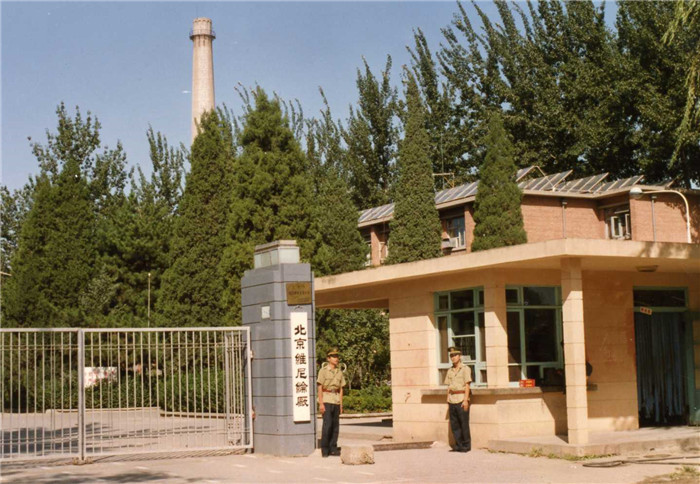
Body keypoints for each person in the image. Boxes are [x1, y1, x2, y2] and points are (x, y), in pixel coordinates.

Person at [317, 347, 346, 457]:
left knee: (335, 426)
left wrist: (341, 404)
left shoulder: (339, 372)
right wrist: (321, 403)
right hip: (326, 399)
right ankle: (325, 449)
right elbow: (320, 387)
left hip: (336, 400)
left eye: (337, 356)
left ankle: (333, 448)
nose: (336, 358)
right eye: (333, 356)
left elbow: (341, 389)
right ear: (328, 358)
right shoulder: (323, 371)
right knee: (327, 425)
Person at [444, 346, 471, 452]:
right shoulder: (450, 370)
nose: (453, 357)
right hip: (452, 399)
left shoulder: (465, 369)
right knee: (454, 424)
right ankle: (458, 445)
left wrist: (466, 400)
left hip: (461, 398)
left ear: (459, 356)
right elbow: (449, 386)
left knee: (464, 423)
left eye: (455, 355)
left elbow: (467, 385)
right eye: (451, 356)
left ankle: (466, 446)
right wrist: (447, 399)